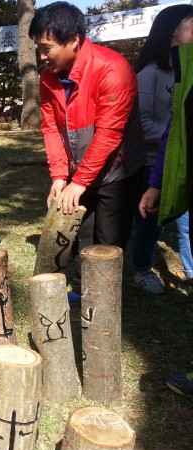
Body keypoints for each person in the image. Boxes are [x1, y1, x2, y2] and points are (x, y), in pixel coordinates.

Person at [29, 2, 146, 303]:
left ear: (73, 41)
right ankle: (83, 291)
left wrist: (78, 182)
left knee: (108, 239)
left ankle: (105, 301)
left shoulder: (114, 69)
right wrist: (59, 176)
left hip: (118, 171)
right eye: (38, 49)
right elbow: (52, 129)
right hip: (80, 168)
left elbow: (109, 134)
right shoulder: (47, 78)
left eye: (47, 48)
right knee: (81, 230)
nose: (42, 57)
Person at [139, 41, 193, 397]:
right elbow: (173, 129)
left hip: (175, 167)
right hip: (169, 166)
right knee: (164, 227)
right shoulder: (159, 73)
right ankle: (143, 269)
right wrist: (158, 181)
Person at [131, 4, 193, 294]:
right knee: (150, 224)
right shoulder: (150, 74)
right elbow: (143, 124)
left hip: (183, 160)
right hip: (155, 163)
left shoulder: (187, 70)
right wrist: (180, 140)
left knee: (185, 224)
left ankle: (190, 270)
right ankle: (142, 270)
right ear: (172, 31)